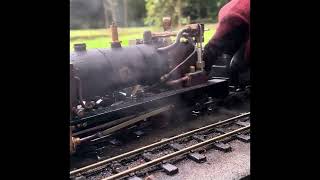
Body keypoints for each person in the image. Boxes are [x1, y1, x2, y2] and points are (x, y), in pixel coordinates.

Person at [203, 0, 250, 87]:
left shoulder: (232, 15)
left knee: (238, 64)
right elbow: (216, 44)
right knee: (234, 63)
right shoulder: (231, 14)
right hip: (237, 19)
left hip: (236, 17)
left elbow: (215, 45)